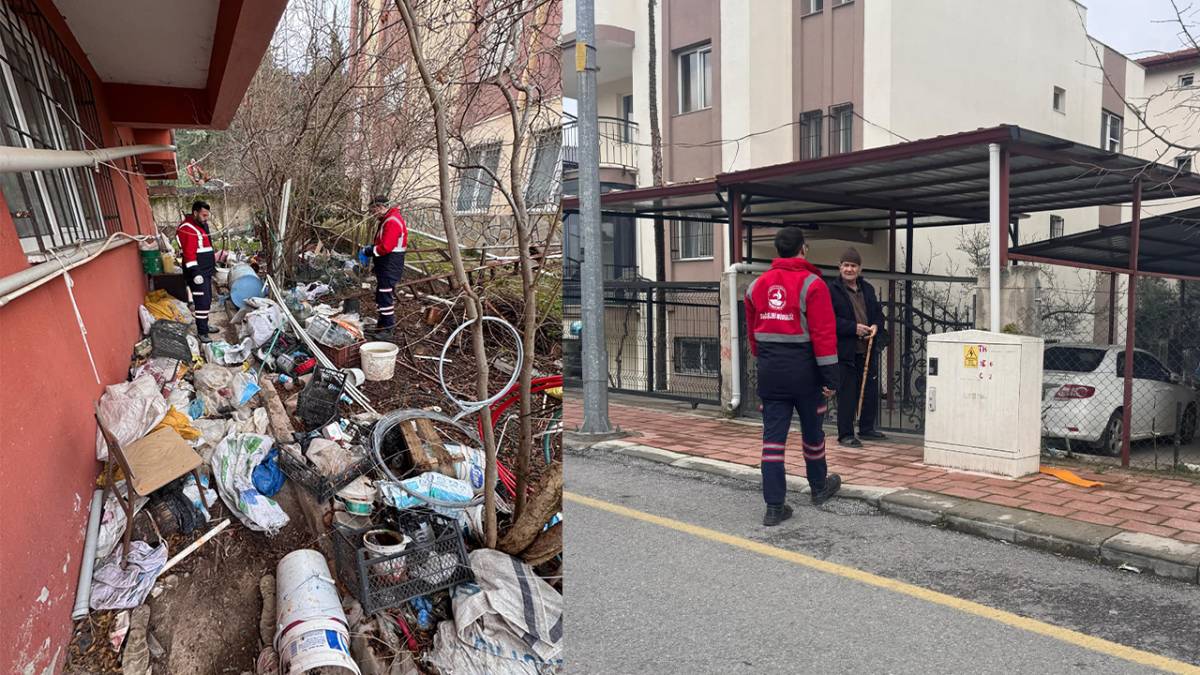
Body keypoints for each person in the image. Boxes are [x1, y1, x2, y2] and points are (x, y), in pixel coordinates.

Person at [745, 227, 842, 526]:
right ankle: (818, 487)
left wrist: (765, 359)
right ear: (803, 248)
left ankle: (774, 507)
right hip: (805, 374)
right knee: (813, 433)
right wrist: (831, 379)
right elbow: (824, 335)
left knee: (773, 441)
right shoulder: (813, 284)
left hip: (771, 372)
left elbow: (752, 336)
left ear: (778, 250)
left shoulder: (756, 286)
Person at [828, 247, 887, 447]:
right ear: (840, 267)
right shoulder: (832, 290)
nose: (849, 269)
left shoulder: (868, 289)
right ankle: (845, 434)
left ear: (859, 269)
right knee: (847, 393)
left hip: (867, 348)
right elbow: (828, 320)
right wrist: (853, 328)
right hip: (845, 350)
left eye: (853, 266)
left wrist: (876, 325)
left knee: (870, 390)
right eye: (846, 265)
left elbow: (878, 314)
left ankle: (867, 428)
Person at [359, 196, 409, 339]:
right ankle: (382, 326)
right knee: (382, 295)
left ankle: (387, 329)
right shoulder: (388, 219)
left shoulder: (392, 221)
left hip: (390, 264)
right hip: (387, 264)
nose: (372, 214)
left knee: (385, 296)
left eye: (373, 210)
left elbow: (386, 247)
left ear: (380, 207)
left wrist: (369, 251)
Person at [177, 200, 218, 343]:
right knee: (201, 301)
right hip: (197, 272)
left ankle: (205, 326)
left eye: (207, 215)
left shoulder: (200, 226)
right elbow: (189, 254)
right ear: (195, 213)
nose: (206, 218)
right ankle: (202, 332)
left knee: (207, 300)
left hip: (206, 270)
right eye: (204, 215)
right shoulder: (187, 228)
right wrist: (196, 273)